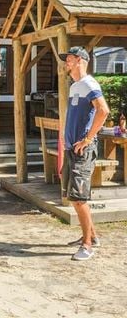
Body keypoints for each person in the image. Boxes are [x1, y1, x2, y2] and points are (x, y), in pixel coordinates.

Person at [59, 46, 109, 261]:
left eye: (69, 59)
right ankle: (92, 236)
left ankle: (87, 246)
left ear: (80, 60)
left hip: (83, 150)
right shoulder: (75, 86)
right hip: (71, 148)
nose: (66, 63)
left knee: (79, 199)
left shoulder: (89, 84)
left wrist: (88, 139)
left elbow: (103, 111)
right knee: (73, 196)